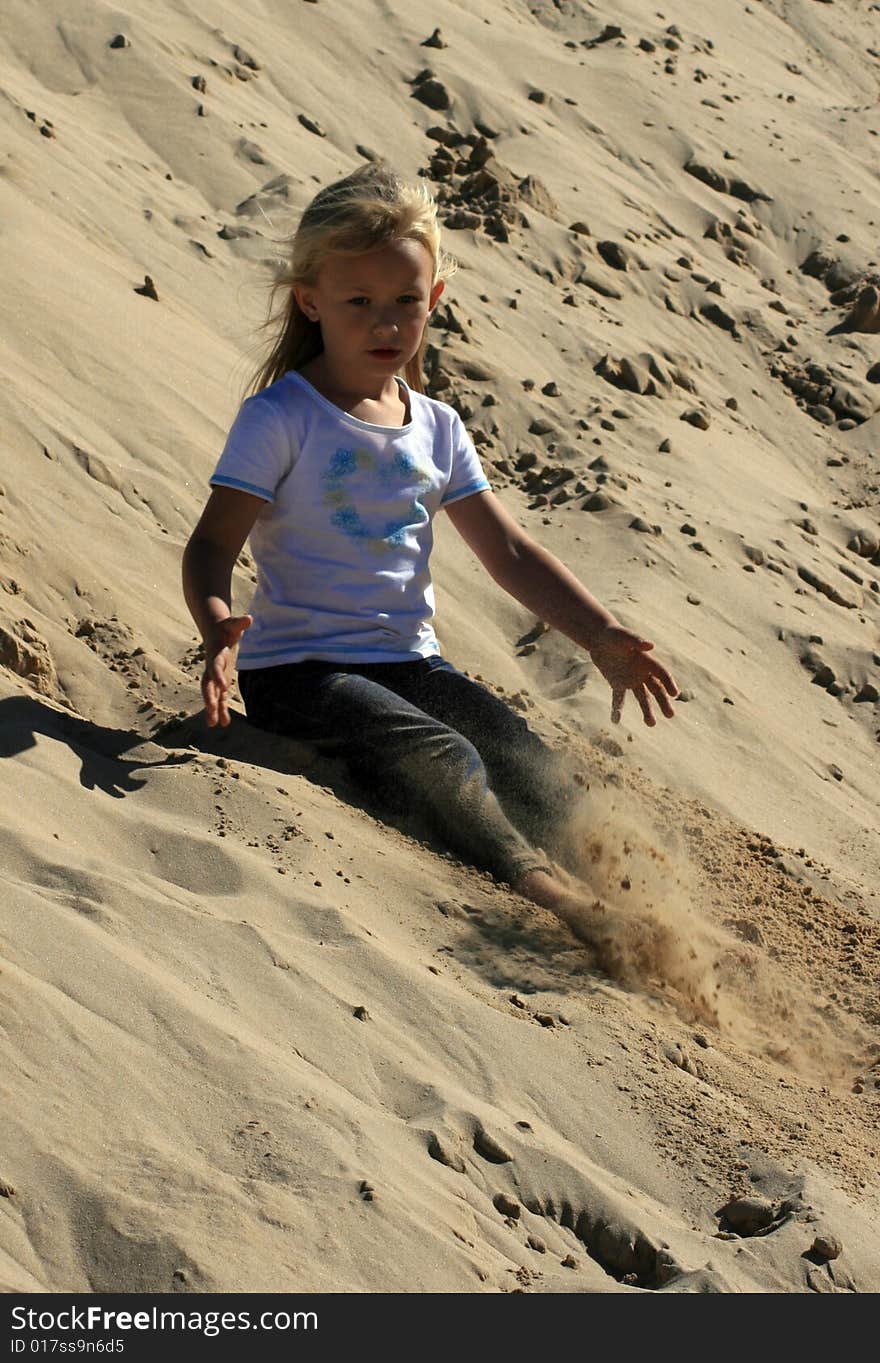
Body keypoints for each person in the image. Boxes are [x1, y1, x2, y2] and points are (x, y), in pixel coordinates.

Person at [182, 162, 679, 960]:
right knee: (444, 753)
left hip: (409, 664)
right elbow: (212, 544)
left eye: (406, 303)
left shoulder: (438, 427)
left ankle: (653, 915)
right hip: (300, 673)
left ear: (434, 300)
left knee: (524, 757)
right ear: (310, 301)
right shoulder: (280, 417)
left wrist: (601, 633)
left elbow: (510, 551)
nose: (387, 323)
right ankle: (555, 896)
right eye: (359, 304)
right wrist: (217, 631)